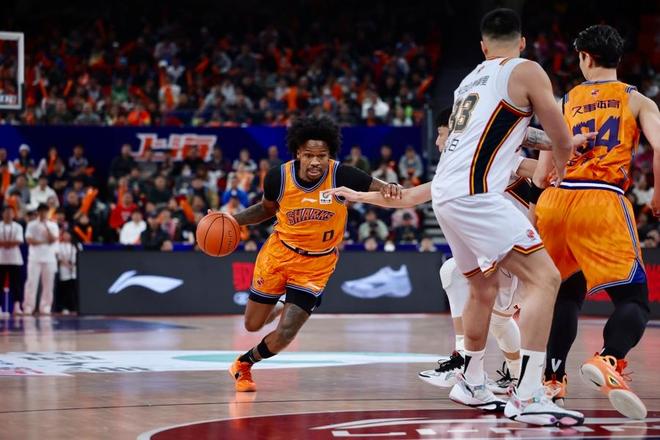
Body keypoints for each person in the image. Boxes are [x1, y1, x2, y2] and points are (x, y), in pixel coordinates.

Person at [332, 9, 592, 426]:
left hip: (445, 194)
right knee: (545, 279)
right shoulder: (527, 69)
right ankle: (528, 395)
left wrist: (558, 143)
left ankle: (471, 380)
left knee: (481, 287)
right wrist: (563, 162)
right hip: (477, 193)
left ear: (484, 47)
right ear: (522, 42)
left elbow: (518, 131)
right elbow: (557, 134)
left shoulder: (468, 81)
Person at [534, 25, 660, 420]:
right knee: (634, 301)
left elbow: (540, 175)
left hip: (556, 202)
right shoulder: (636, 100)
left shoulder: (565, 100)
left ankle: (552, 380)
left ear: (586, 57)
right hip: (601, 199)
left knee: (565, 295)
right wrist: (658, 196)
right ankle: (609, 358)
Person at [222, 115, 400, 392]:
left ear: (330, 155)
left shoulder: (341, 175)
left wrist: (389, 187)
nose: (316, 162)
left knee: (286, 332)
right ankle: (279, 306)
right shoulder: (278, 177)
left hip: (316, 265)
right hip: (278, 255)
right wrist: (231, 220)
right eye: (309, 155)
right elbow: (266, 210)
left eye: (322, 156)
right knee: (252, 325)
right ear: (298, 154)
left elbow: (378, 186)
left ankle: (244, 364)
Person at [23, 204, 59, 315]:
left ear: (48, 212)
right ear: (37, 212)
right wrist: (43, 242)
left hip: (49, 258)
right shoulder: (31, 225)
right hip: (35, 258)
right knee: (31, 283)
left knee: (48, 284)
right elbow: (29, 240)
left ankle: (46, 307)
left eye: (45, 211)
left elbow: (53, 239)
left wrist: (46, 227)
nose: (43, 213)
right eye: (41, 211)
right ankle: (29, 307)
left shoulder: (53, 225)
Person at [0, 206, 24, 314]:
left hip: (15, 259)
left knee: (16, 284)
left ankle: (17, 306)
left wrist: (5, 243)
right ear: (2, 214)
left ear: (14, 215)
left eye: (10, 213)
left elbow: (19, 241)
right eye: (6, 212)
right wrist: (10, 243)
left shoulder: (18, 227)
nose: (8, 214)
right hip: (1, 259)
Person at [56, 230, 78, 314]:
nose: (66, 236)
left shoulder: (75, 245)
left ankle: (73, 306)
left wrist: (73, 264)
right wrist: (66, 264)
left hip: (73, 269)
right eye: (64, 234)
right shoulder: (59, 246)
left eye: (68, 234)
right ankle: (64, 307)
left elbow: (78, 256)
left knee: (73, 288)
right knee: (65, 288)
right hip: (64, 269)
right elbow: (59, 257)